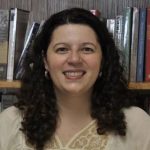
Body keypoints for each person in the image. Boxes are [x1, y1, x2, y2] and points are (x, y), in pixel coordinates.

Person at [0, 7, 150, 150]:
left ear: (103, 60)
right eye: (62, 49)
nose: (74, 59)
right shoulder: (8, 123)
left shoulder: (138, 124)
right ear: (45, 61)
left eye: (87, 49)